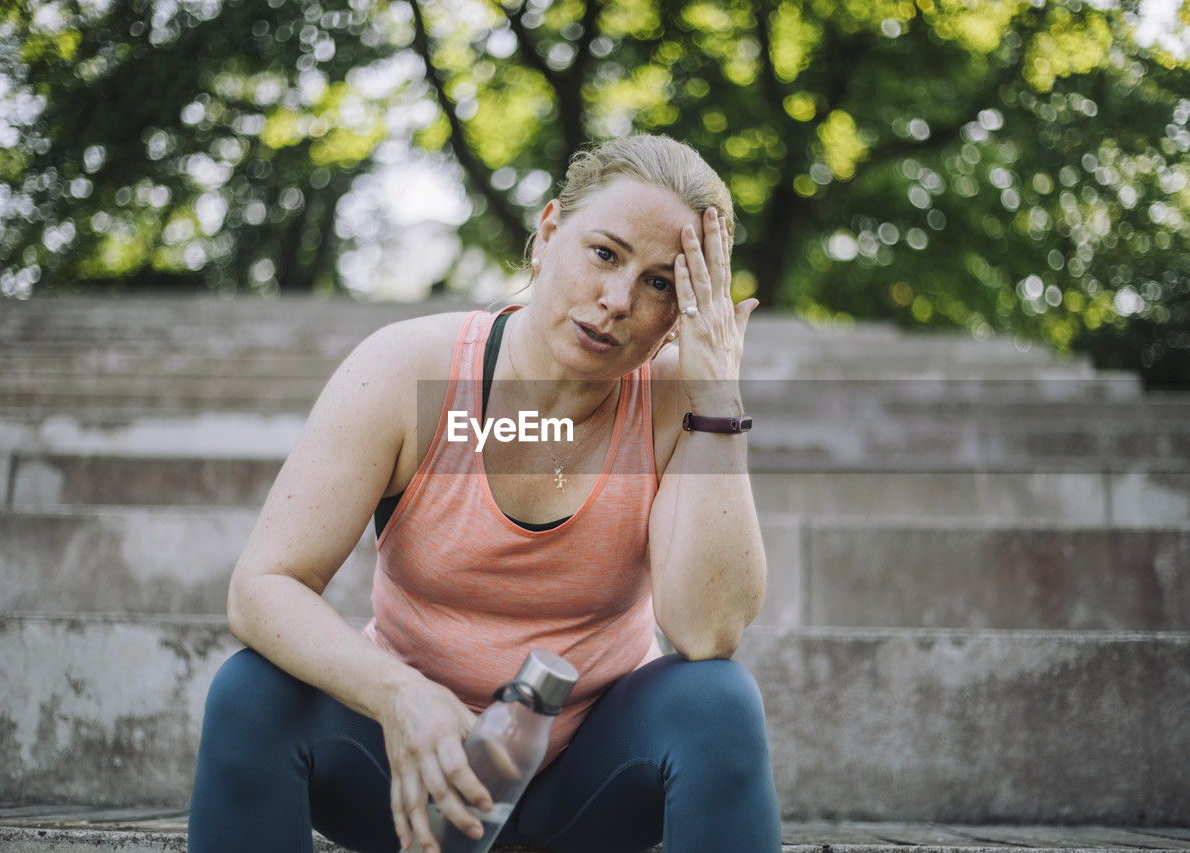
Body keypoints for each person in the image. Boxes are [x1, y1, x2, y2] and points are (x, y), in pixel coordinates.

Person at [188, 134, 780, 853]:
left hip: (585, 780)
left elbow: (707, 631)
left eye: (660, 283)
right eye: (605, 253)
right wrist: (399, 695)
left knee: (718, 700)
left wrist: (716, 395)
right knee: (251, 688)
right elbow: (262, 587)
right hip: (412, 768)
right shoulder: (408, 370)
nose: (618, 300)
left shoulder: (676, 399)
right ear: (549, 232)